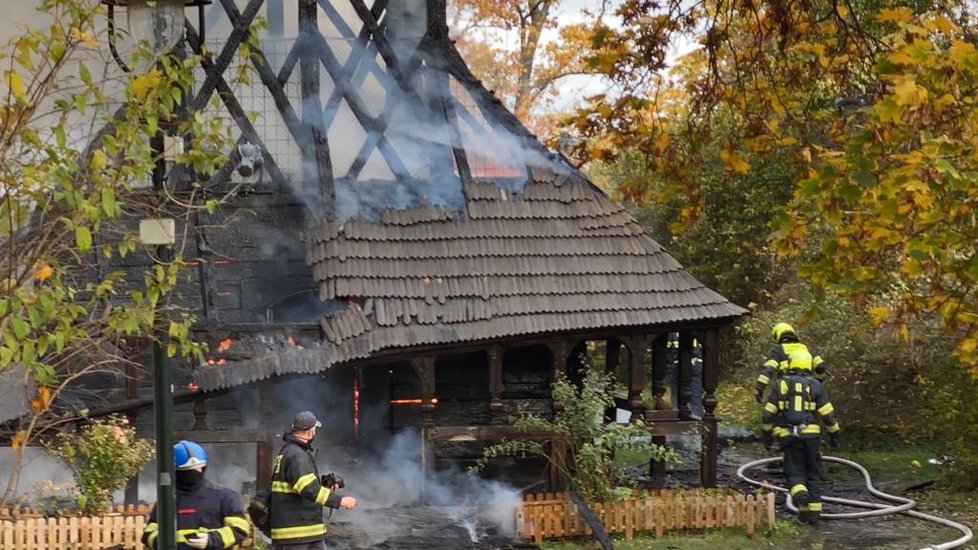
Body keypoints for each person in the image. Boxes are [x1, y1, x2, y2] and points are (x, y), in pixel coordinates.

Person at [760, 370, 841, 523]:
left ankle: (801, 498)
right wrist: (834, 434)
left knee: (794, 472)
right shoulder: (816, 385)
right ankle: (814, 514)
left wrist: (767, 435)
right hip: (812, 436)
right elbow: (828, 414)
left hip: (788, 436)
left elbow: (768, 413)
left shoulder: (780, 385)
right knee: (812, 473)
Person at [269, 411, 357, 549]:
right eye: (315, 430)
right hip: (296, 532)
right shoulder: (296, 455)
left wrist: (324, 487)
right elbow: (309, 489)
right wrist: (340, 501)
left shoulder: (291, 452)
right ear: (310, 432)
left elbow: (300, 486)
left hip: (307, 530)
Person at [142, 440, 251, 549]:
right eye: (185, 471)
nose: (193, 474)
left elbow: (240, 529)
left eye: (197, 469)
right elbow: (149, 534)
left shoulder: (224, 496)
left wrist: (211, 539)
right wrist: (171, 543)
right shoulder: (167, 499)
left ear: (204, 468)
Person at [754, 322, 827, 403]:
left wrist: (759, 388)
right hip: (807, 388)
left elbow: (768, 370)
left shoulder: (778, 349)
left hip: (785, 388)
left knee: (772, 411)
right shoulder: (805, 348)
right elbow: (821, 367)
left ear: (777, 336)